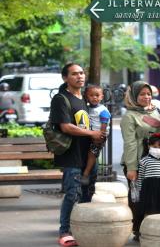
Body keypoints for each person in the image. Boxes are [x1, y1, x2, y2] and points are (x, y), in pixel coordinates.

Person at [50, 63, 105, 247]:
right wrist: (92, 134)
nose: (79, 76)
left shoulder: (85, 99)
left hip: (87, 154)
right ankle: (64, 231)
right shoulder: (60, 99)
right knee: (72, 193)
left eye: (81, 73)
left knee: (88, 192)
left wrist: (99, 135)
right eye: (74, 74)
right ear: (65, 78)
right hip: (71, 154)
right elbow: (65, 127)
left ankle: (82, 227)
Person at [120, 81, 160, 241]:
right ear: (134, 96)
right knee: (139, 198)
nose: (146, 97)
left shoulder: (157, 111)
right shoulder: (129, 116)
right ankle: (139, 230)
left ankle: (156, 228)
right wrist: (132, 168)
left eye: (149, 94)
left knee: (158, 194)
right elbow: (130, 143)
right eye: (142, 94)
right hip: (139, 160)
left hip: (158, 159)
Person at [136, 132, 160, 220]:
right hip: (148, 189)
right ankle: (146, 230)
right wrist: (140, 192)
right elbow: (141, 178)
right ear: (149, 146)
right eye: (154, 147)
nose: (157, 149)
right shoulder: (144, 161)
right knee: (148, 212)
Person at [81, 85, 111, 185]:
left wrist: (100, 136)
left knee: (92, 154)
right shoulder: (88, 108)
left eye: (97, 95)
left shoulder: (102, 110)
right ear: (86, 96)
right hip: (91, 134)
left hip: (99, 136)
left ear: (102, 97)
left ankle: (86, 174)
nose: (94, 97)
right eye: (91, 95)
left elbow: (104, 124)